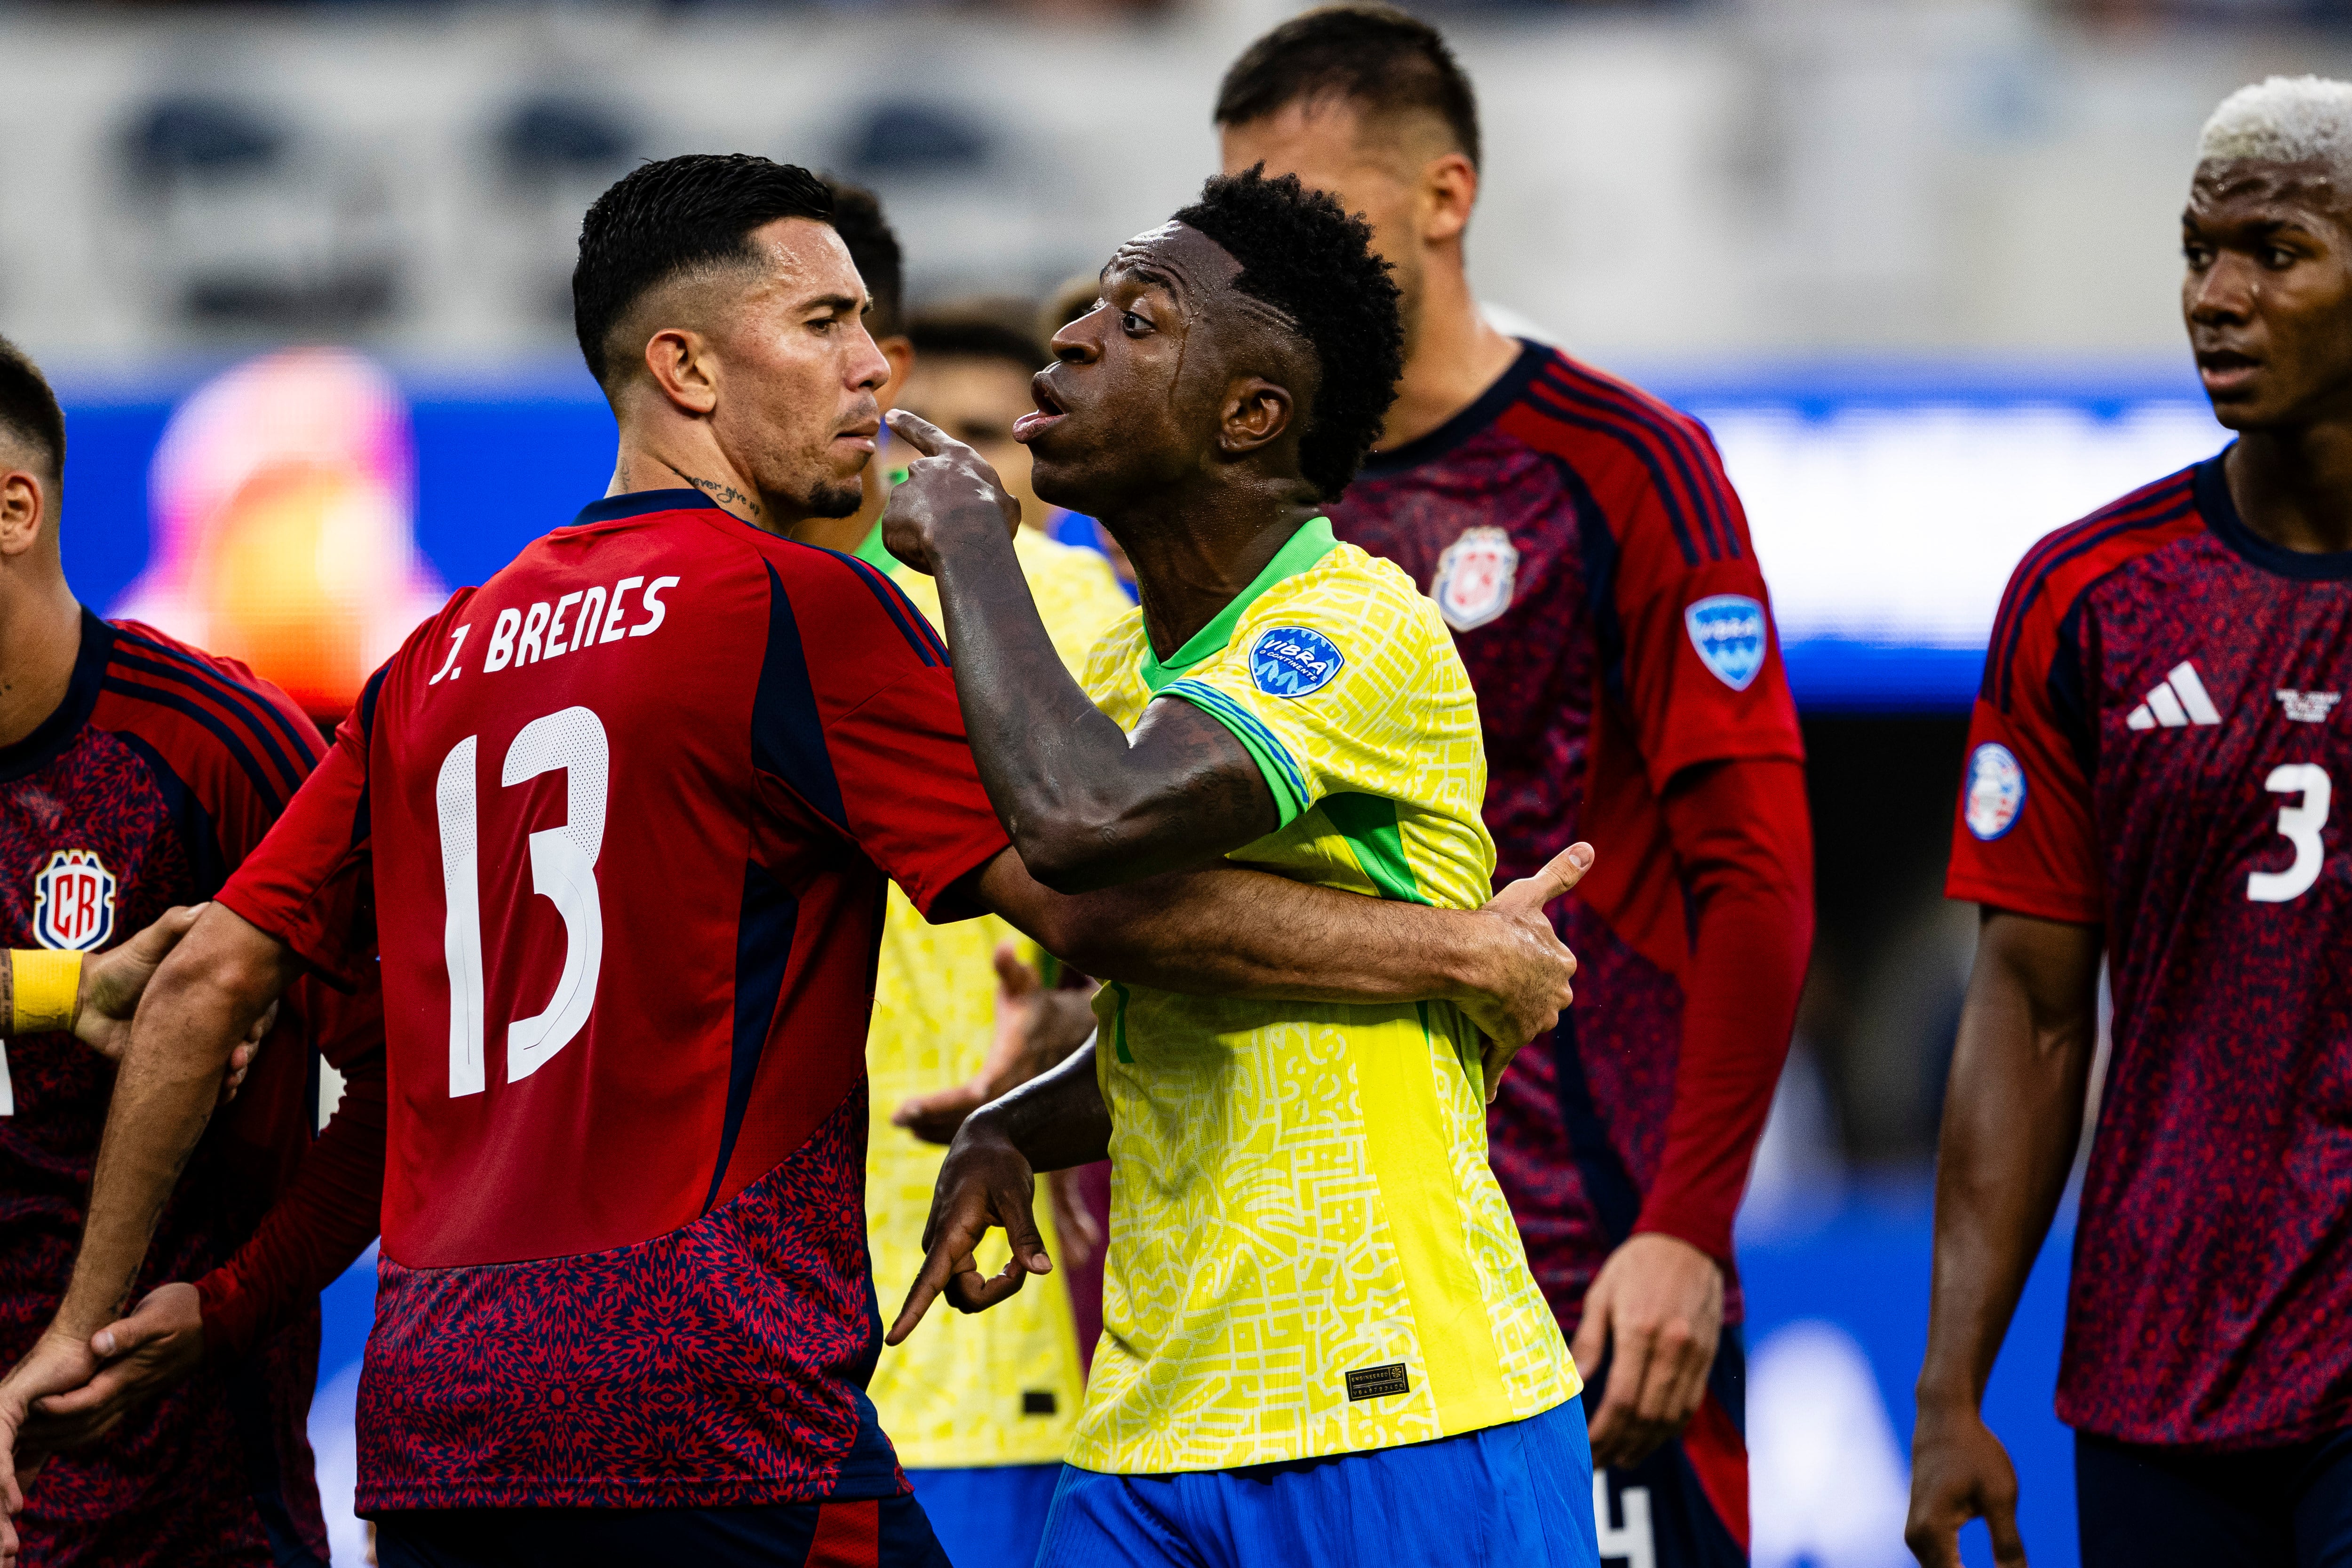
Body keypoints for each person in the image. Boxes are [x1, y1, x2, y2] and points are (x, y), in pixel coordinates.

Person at [0, 154, 1583, 1568]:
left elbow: (217, 978)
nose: (873, 364)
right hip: (714, 1394)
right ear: (683, 365)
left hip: (441, 1419)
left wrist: (119, 1319)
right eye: (824, 324)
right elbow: (1095, 887)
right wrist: (1449, 950)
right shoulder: (801, 614)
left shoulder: (431, 659)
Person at [883, 167, 1599, 1568]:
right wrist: (1015, 1126)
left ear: (1252, 414)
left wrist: (976, 536)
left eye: (1138, 319)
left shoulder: (1354, 620)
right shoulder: (1105, 666)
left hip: (1398, 1397)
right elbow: (1170, 986)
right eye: (1090, 305)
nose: (1077, 338)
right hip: (1152, 1419)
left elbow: (1086, 837)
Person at [1213, 9, 1814, 1562]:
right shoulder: (1240, 510)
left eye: (1308, 209)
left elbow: (1755, 874)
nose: (1272, 265)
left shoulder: (1619, 466)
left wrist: (1683, 1227)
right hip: (1306, 1287)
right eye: (1243, 223)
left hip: (1582, 1254)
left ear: (1445, 195)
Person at [1907, 75, 2352, 1567]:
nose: (2215, 299)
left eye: (2276, 254)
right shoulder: (2090, 594)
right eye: (2196, 251)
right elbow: (2031, 1011)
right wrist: (1952, 1390)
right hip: (2161, 1378)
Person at [0, 335, 384, 1567]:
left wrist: (231, 1308)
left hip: (182, 1505)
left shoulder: (219, 745)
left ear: (11, 509)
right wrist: (67, 990)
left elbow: (403, 1076)